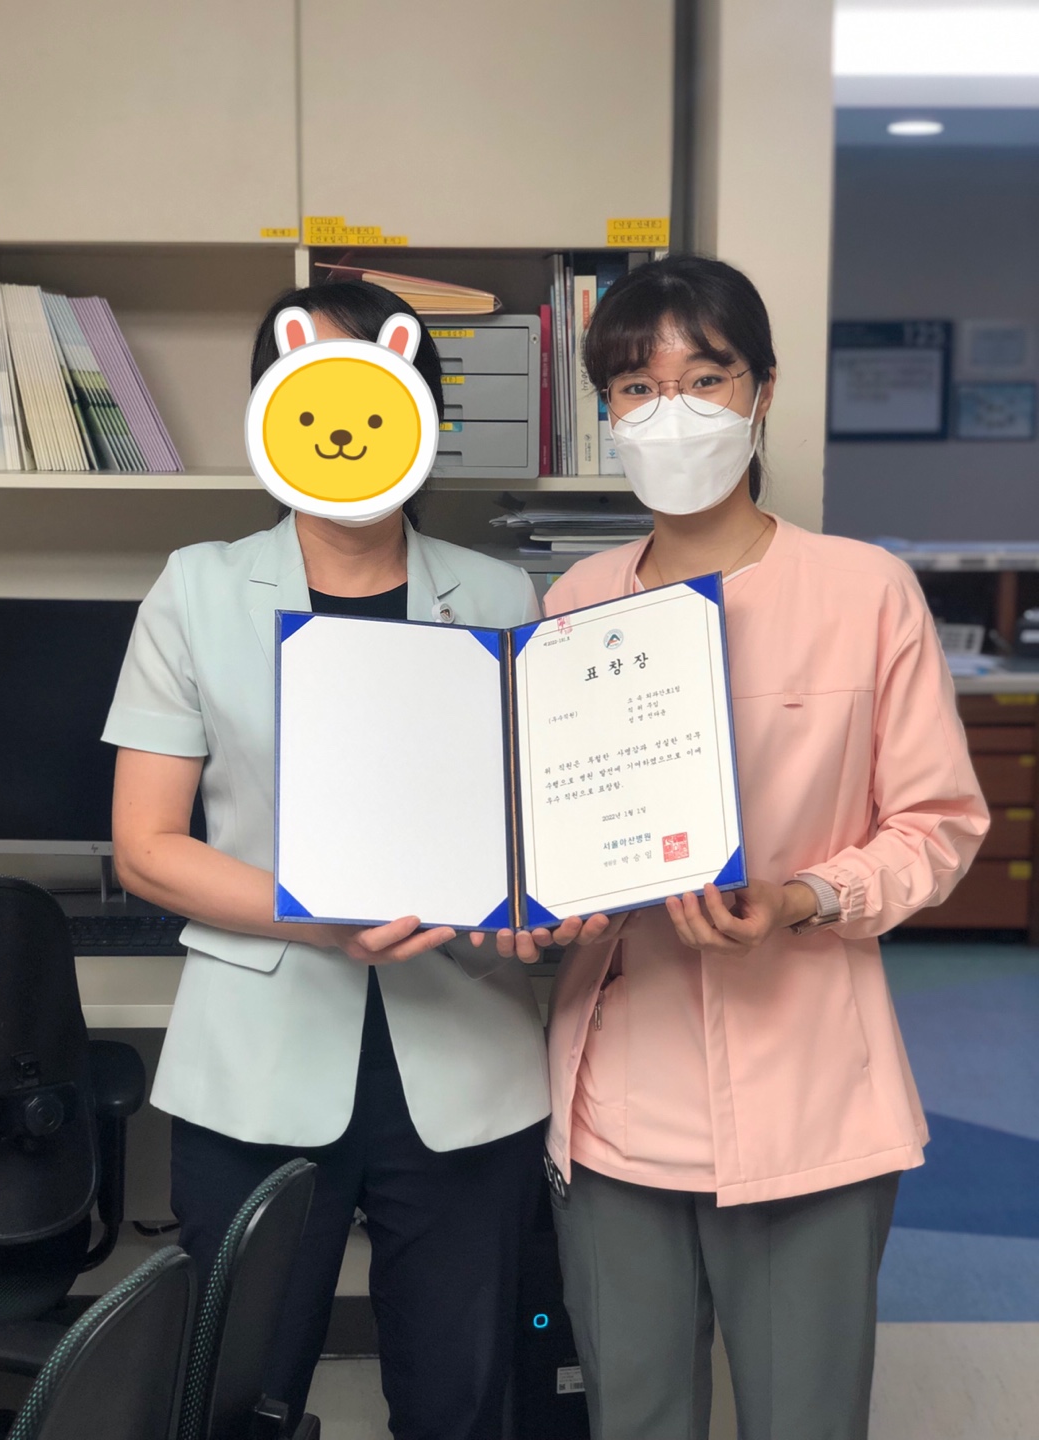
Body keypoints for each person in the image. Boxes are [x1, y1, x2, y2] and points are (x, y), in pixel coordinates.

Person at [102, 280, 604, 1440]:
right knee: (238, 1394)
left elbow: (531, 837)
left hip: (466, 1057)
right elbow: (148, 847)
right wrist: (317, 913)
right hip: (257, 1062)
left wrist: (539, 910)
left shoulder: (498, 593)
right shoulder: (199, 588)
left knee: (459, 1400)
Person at [540, 255, 990, 1440]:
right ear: (607, 414)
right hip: (619, 1095)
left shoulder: (863, 591)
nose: (672, 411)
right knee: (633, 1415)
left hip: (808, 1095)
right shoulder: (576, 602)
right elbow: (552, 830)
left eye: (707, 378)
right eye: (637, 387)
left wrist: (803, 896)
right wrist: (535, 902)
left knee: (804, 1417)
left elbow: (939, 826)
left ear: (764, 391)